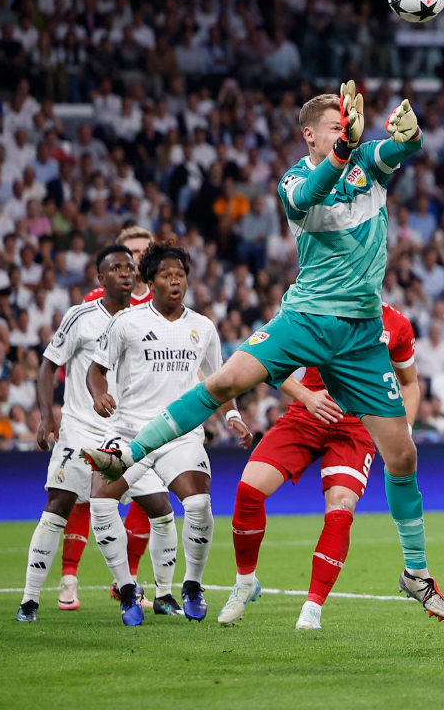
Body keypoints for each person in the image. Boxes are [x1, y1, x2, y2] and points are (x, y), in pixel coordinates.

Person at [83, 83, 444, 622]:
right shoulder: (295, 180)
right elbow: (308, 198)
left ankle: (416, 573)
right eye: (334, 125)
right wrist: (342, 152)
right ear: (311, 134)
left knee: (404, 457)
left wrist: (408, 135)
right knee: (225, 382)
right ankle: (129, 455)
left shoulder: (367, 160)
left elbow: (397, 150)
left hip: (360, 332)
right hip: (303, 318)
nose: (345, 129)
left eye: (348, 122)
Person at [217, 302, 419, 629]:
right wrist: (306, 396)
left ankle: (313, 607)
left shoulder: (397, 324)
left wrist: (400, 432)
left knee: (340, 508)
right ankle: (245, 582)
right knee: (248, 491)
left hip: (356, 426)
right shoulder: (317, 306)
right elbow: (268, 359)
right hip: (306, 413)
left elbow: (409, 383)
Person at [85, 243, 252, 625]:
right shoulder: (127, 322)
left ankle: (191, 585)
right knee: (101, 501)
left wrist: (232, 417)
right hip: (130, 431)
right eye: (166, 275)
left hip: (179, 436)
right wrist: (100, 394)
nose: (175, 280)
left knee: (197, 506)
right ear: (151, 281)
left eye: (180, 274)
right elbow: (95, 370)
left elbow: (220, 382)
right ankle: (127, 589)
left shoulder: (203, 327)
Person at [14, 246, 170, 622]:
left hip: (127, 434)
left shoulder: (143, 320)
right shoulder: (80, 316)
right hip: (80, 431)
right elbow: (49, 366)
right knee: (58, 509)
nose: (124, 273)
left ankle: (160, 594)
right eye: (115, 268)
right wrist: (46, 417)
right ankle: (30, 600)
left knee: (160, 509)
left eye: (129, 267)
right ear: (100, 279)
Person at [66, 226, 157, 604]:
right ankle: (69, 578)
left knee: (150, 499)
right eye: (130, 252)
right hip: (95, 413)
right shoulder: (96, 301)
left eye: (142, 251)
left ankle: (128, 582)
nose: (135, 259)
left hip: (138, 417)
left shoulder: (160, 304)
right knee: (86, 496)